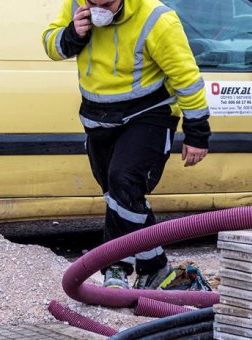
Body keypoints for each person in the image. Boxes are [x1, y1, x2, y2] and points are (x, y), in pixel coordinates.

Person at [42, 0, 211, 289]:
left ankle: (116, 267)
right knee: (119, 195)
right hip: (98, 119)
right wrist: (71, 34)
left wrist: (197, 132)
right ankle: (155, 268)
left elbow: (187, 77)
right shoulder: (77, 5)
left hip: (148, 115)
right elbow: (51, 45)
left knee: (124, 182)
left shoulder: (156, 18)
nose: (97, 6)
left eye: (105, 3)